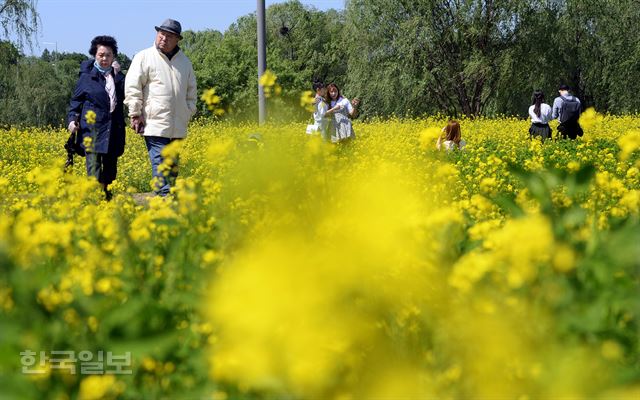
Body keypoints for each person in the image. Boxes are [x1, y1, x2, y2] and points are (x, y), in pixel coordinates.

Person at [124, 18, 197, 197]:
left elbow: (191, 92)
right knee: (160, 162)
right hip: (154, 123)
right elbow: (133, 87)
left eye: (169, 36)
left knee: (172, 166)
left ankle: (168, 195)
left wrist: (188, 111)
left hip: (178, 125)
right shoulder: (144, 57)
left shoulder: (185, 63)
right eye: (161, 34)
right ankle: (164, 199)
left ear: (177, 40)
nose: (164, 38)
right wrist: (135, 113)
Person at [67, 35, 126, 201]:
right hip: (91, 130)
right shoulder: (86, 77)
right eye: (101, 55)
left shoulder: (119, 78)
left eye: (108, 55)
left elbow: (127, 98)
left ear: (113, 56)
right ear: (95, 55)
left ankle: (107, 202)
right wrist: (72, 120)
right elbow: (75, 102)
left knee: (110, 172)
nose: (104, 58)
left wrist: (119, 74)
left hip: (113, 130)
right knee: (93, 170)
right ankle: (95, 204)